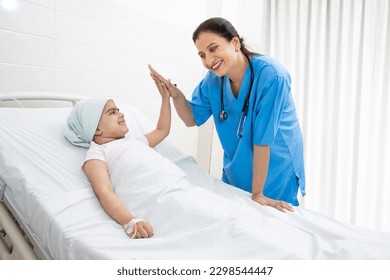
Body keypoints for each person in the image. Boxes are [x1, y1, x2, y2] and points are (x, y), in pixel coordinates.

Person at [149, 17, 305, 212]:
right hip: (238, 167)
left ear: (235, 43)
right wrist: (174, 94)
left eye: (213, 49)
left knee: (273, 221)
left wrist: (258, 193)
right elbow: (191, 118)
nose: (208, 60)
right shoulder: (213, 81)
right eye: (202, 55)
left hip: (276, 166)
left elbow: (263, 139)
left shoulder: (272, 76)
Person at [63, 78, 172, 239]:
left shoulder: (134, 140)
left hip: (172, 183)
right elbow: (104, 192)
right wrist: (129, 221)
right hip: (155, 194)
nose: (121, 114)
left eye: (118, 110)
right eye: (112, 112)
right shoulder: (98, 153)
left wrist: (165, 99)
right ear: (96, 128)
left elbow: (162, 130)